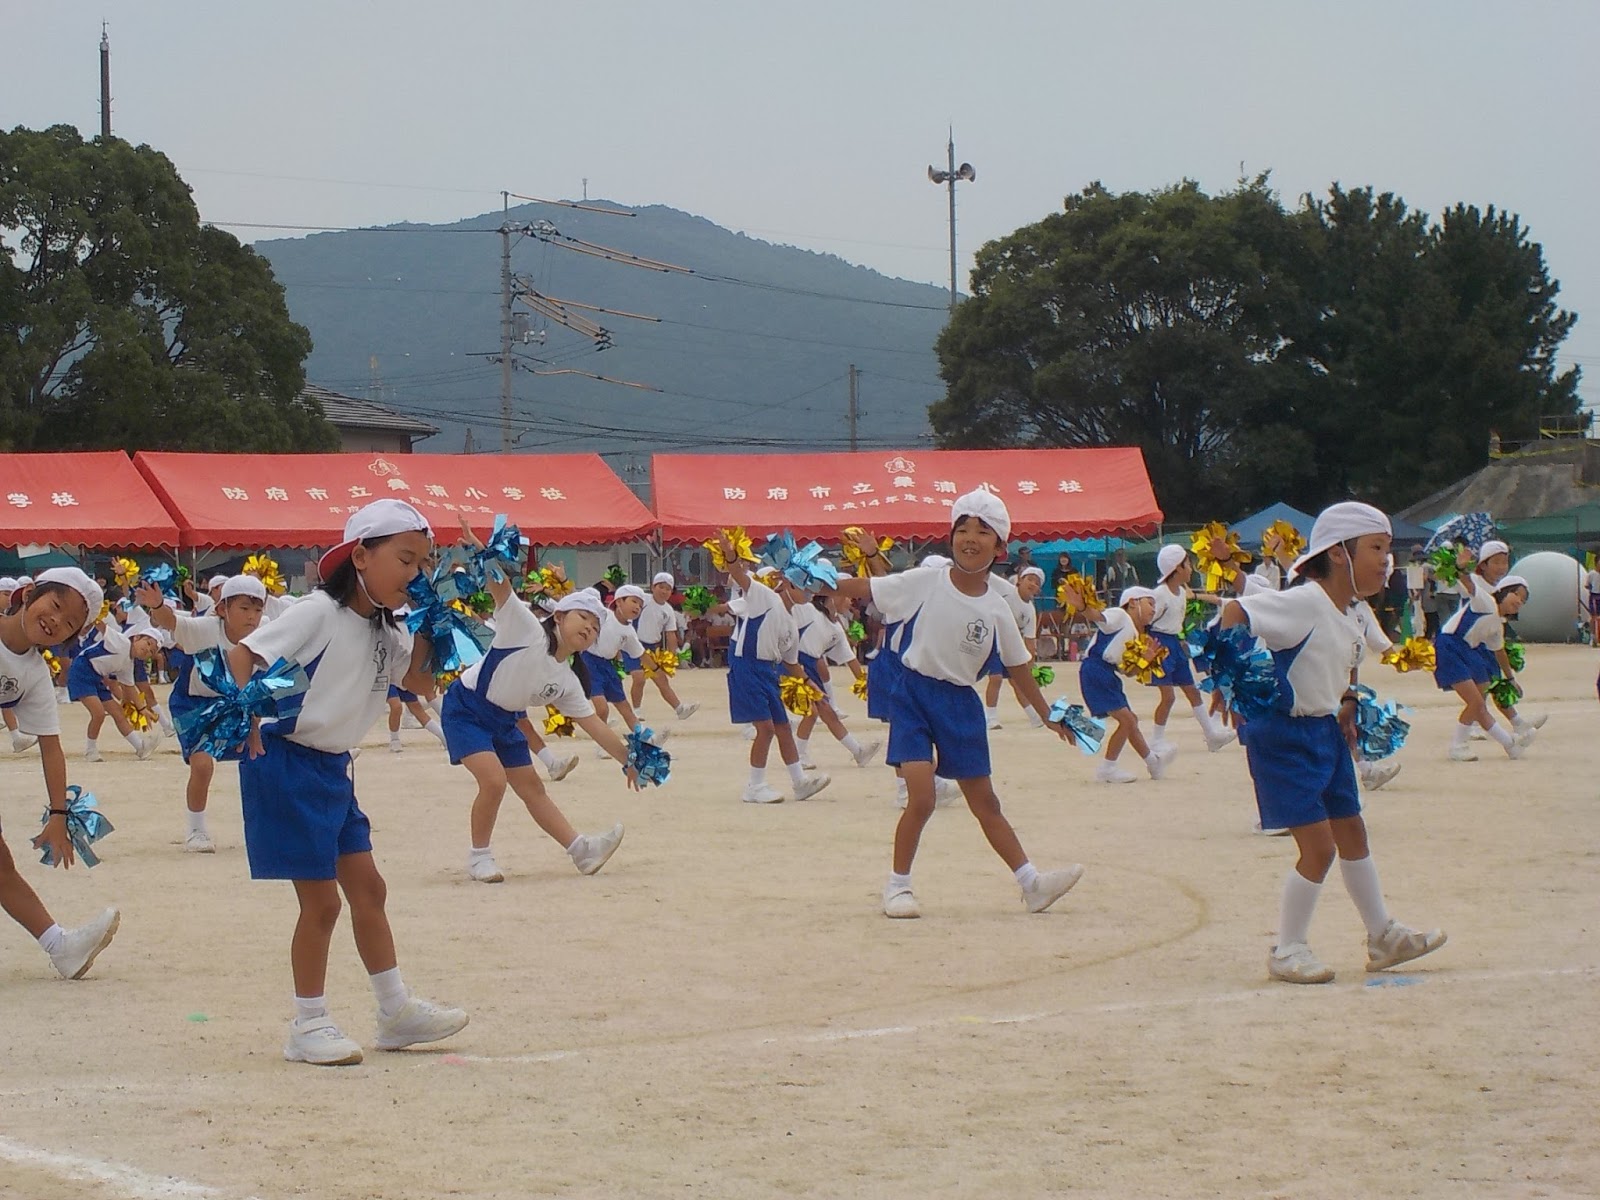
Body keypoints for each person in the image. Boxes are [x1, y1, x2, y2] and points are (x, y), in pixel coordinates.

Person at [227, 499, 467, 1067]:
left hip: (333, 766)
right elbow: (244, 655)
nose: (416, 574)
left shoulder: (388, 627)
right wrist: (249, 717)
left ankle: (394, 1010)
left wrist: (436, 627)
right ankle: (307, 1024)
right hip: (286, 759)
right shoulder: (318, 612)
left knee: (369, 890)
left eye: (424, 564)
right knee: (322, 904)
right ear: (359, 556)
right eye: (405, 560)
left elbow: (417, 682)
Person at [1218, 501, 1447, 985]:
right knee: (1319, 848)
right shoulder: (1305, 600)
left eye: (1388, 549)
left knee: (1353, 833)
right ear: (1339, 553)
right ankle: (1288, 947)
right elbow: (1237, 611)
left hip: (1324, 732)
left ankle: (1382, 935)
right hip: (1283, 734)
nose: (1386, 559)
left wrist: (1345, 698)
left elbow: (1332, 664)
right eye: (1377, 548)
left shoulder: (1352, 612)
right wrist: (1233, 678)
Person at [831, 490, 1084, 919]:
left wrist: (1051, 716)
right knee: (923, 796)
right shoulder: (925, 581)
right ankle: (898, 887)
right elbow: (863, 586)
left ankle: (1032, 885)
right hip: (912, 695)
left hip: (960, 704)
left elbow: (1021, 671)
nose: (970, 538)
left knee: (985, 801)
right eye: (962, 529)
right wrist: (806, 583)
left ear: (1000, 546)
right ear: (951, 538)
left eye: (982, 532)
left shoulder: (998, 609)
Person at [443, 581, 633, 885]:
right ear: (558, 615)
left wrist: (630, 759)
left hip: (507, 720)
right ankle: (479, 856)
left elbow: (595, 725)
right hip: (466, 709)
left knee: (533, 789)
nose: (589, 627)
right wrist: (486, 551)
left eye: (596, 627)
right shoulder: (525, 628)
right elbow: (501, 588)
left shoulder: (567, 680)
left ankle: (581, 851)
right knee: (493, 781)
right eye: (583, 617)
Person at [0, 568, 122, 979]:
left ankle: (61, 948)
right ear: (30, 594)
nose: (56, 622)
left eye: (69, 623)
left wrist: (58, 816)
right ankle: (60, 946)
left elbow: (51, 748)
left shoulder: (34, 673)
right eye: (54, 606)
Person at [136, 574, 269, 852]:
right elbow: (171, 622)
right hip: (194, 703)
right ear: (222, 609)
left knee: (267, 759)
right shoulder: (205, 629)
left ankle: (270, 827)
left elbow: (264, 683)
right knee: (202, 764)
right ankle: (196, 830)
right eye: (244, 608)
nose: (252, 617)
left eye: (258, 609)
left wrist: (255, 724)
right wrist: (158, 604)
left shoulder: (266, 631)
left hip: (238, 704)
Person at [718, 548, 832, 804]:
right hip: (746, 666)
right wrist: (731, 555)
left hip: (767, 670)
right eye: (806, 586)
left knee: (782, 727)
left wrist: (811, 686)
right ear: (788, 582)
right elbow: (739, 574)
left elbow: (791, 664)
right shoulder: (764, 597)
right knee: (766, 728)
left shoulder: (791, 625)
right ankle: (754, 786)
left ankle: (799, 781)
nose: (810, 592)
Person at [1432, 540, 1536, 762]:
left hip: (1468, 649)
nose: (1519, 602)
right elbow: (1468, 584)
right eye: (1516, 595)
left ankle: (1509, 743)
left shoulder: (1497, 624)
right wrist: (1461, 568)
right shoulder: (1485, 602)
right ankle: (1459, 745)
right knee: (1477, 702)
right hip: (1449, 645)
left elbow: (1500, 653)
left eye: (1523, 601)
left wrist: (1510, 679)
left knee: (1480, 698)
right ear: (1503, 592)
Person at [1077, 585, 1175, 783]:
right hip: (1095, 670)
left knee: (1131, 720)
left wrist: (1145, 660)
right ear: (1133, 603)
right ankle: (1108, 768)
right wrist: (1082, 606)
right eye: (1150, 603)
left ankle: (1152, 762)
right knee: (1128, 721)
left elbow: (1128, 672)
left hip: (1107, 673)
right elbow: (1097, 616)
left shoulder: (1136, 636)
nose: (1153, 610)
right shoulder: (1120, 616)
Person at [1146, 545, 1236, 753]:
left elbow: (1176, 623)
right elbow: (1147, 621)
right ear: (1176, 569)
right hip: (1160, 645)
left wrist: (1182, 642)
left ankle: (1211, 735)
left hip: (1175, 644)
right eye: (1187, 564)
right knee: (1168, 697)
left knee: (1193, 692)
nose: (1191, 569)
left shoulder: (1180, 594)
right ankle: (1156, 740)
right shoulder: (1160, 594)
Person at [793, 590, 881, 770]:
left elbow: (852, 662)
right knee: (813, 712)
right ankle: (798, 756)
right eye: (846, 596)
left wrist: (871, 690)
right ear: (832, 597)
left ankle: (858, 752)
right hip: (794, 664)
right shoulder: (808, 610)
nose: (850, 601)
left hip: (810, 666)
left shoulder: (837, 627)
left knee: (826, 712)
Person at [65, 619, 161, 761]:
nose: (147, 649)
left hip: (97, 677)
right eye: (148, 643)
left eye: (151, 651)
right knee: (98, 713)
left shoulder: (129, 664)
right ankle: (90, 750)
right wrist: (93, 616)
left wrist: (142, 709)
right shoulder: (121, 641)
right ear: (136, 637)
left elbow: (129, 688)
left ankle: (140, 747)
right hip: (81, 671)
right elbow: (102, 626)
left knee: (119, 713)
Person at [627, 572, 699, 721]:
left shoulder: (668, 610)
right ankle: (636, 710)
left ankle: (680, 709)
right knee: (639, 677)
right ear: (653, 587)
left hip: (652, 648)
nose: (664, 591)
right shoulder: (643, 600)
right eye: (661, 587)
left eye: (668, 589)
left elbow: (670, 635)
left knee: (661, 679)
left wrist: (671, 657)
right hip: (633, 644)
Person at [983, 565, 1045, 729]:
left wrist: (1031, 668)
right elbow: (985, 573)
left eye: (1036, 582)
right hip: (993, 638)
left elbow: (1030, 641)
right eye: (1029, 579)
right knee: (995, 679)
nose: (1032, 584)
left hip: (1010, 644)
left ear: (1038, 589)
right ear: (1020, 580)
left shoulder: (1030, 610)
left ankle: (1034, 716)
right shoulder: (1005, 589)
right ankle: (991, 718)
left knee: (1018, 682)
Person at [1586, 554, 1600, 644]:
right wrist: (1591, 588)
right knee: (1593, 617)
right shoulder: (1591, 574)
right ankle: (1592, 636)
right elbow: (1587, 585)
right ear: (1596, 563)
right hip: (1594, 596)